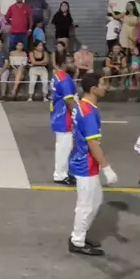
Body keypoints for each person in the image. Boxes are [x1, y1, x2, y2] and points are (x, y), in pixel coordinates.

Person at [68, 73, 118, 256]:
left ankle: (80, 234)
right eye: (103, 84)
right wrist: (106, 168)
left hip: (83, 160)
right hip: (86, 164)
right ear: (94, 89)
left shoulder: (82, 106)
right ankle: (77, 241)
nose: (105, 87)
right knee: (86, 205)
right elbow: (92, 143)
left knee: (95, 200)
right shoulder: (88, 112)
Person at [50, 56, 78, 186]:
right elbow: (69, 100)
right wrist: (76, 116)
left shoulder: (58, 76)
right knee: (64, 147)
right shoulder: (65, 80)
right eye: (71, 62)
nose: (75, 64)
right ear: (63, 64)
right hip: (65, 117)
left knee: (64, 146)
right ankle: (60, 175)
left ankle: (63, 172)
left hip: (58, 114)